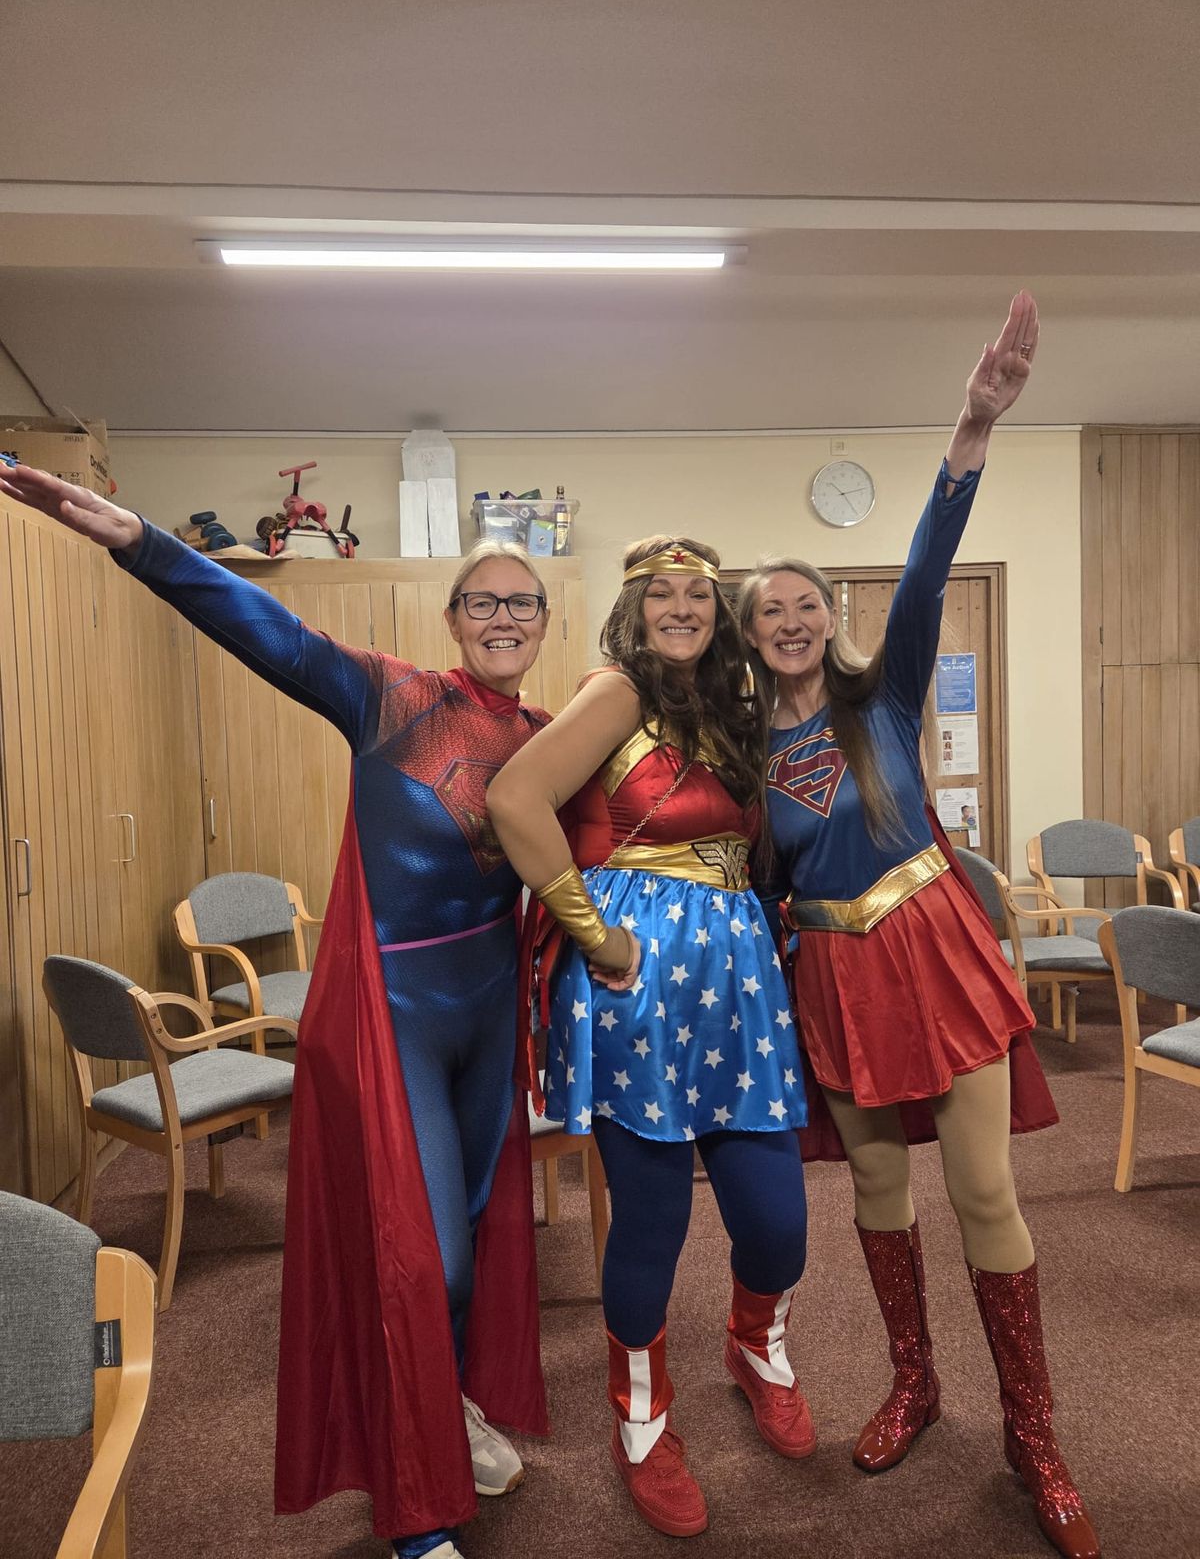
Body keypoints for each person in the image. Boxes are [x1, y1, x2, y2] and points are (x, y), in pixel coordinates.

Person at [0, 464, 552, 1559]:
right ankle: (416, 1511)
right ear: (452, 619)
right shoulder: (391, 697)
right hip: (395, 1014)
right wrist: (138, 540)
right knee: (423, 1259)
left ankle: (445, 1408)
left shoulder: (545, 732)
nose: (504, 616)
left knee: (478, 1235)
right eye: (483, 600)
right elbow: (272, 634)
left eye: (522, 602)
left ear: (543, 622)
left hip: (490, 1012)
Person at [739, 292, 1100, 1559]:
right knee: (879, 1188)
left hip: (935, 948)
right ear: (750, 637)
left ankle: (1034, 1436)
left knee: (984, 1187)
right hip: (835, 973)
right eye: (768, 611)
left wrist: (972, 427)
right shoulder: (743, 754)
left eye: (805, 603)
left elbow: (934, 560)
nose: (791, 620)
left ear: (830, 616)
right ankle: (916, 1382)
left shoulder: (883, 695)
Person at [488, 535, 811, 1540]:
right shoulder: (616, 692)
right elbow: (514, 799)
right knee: (653, 1221)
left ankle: (755, 1347)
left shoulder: (730, 705)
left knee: (778, 1221)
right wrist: (593, 935)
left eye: (698, 594)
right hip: (637, 985)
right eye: (661, 593)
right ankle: (641, 1420)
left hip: (736, 980)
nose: (682, 608)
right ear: (634, 609)